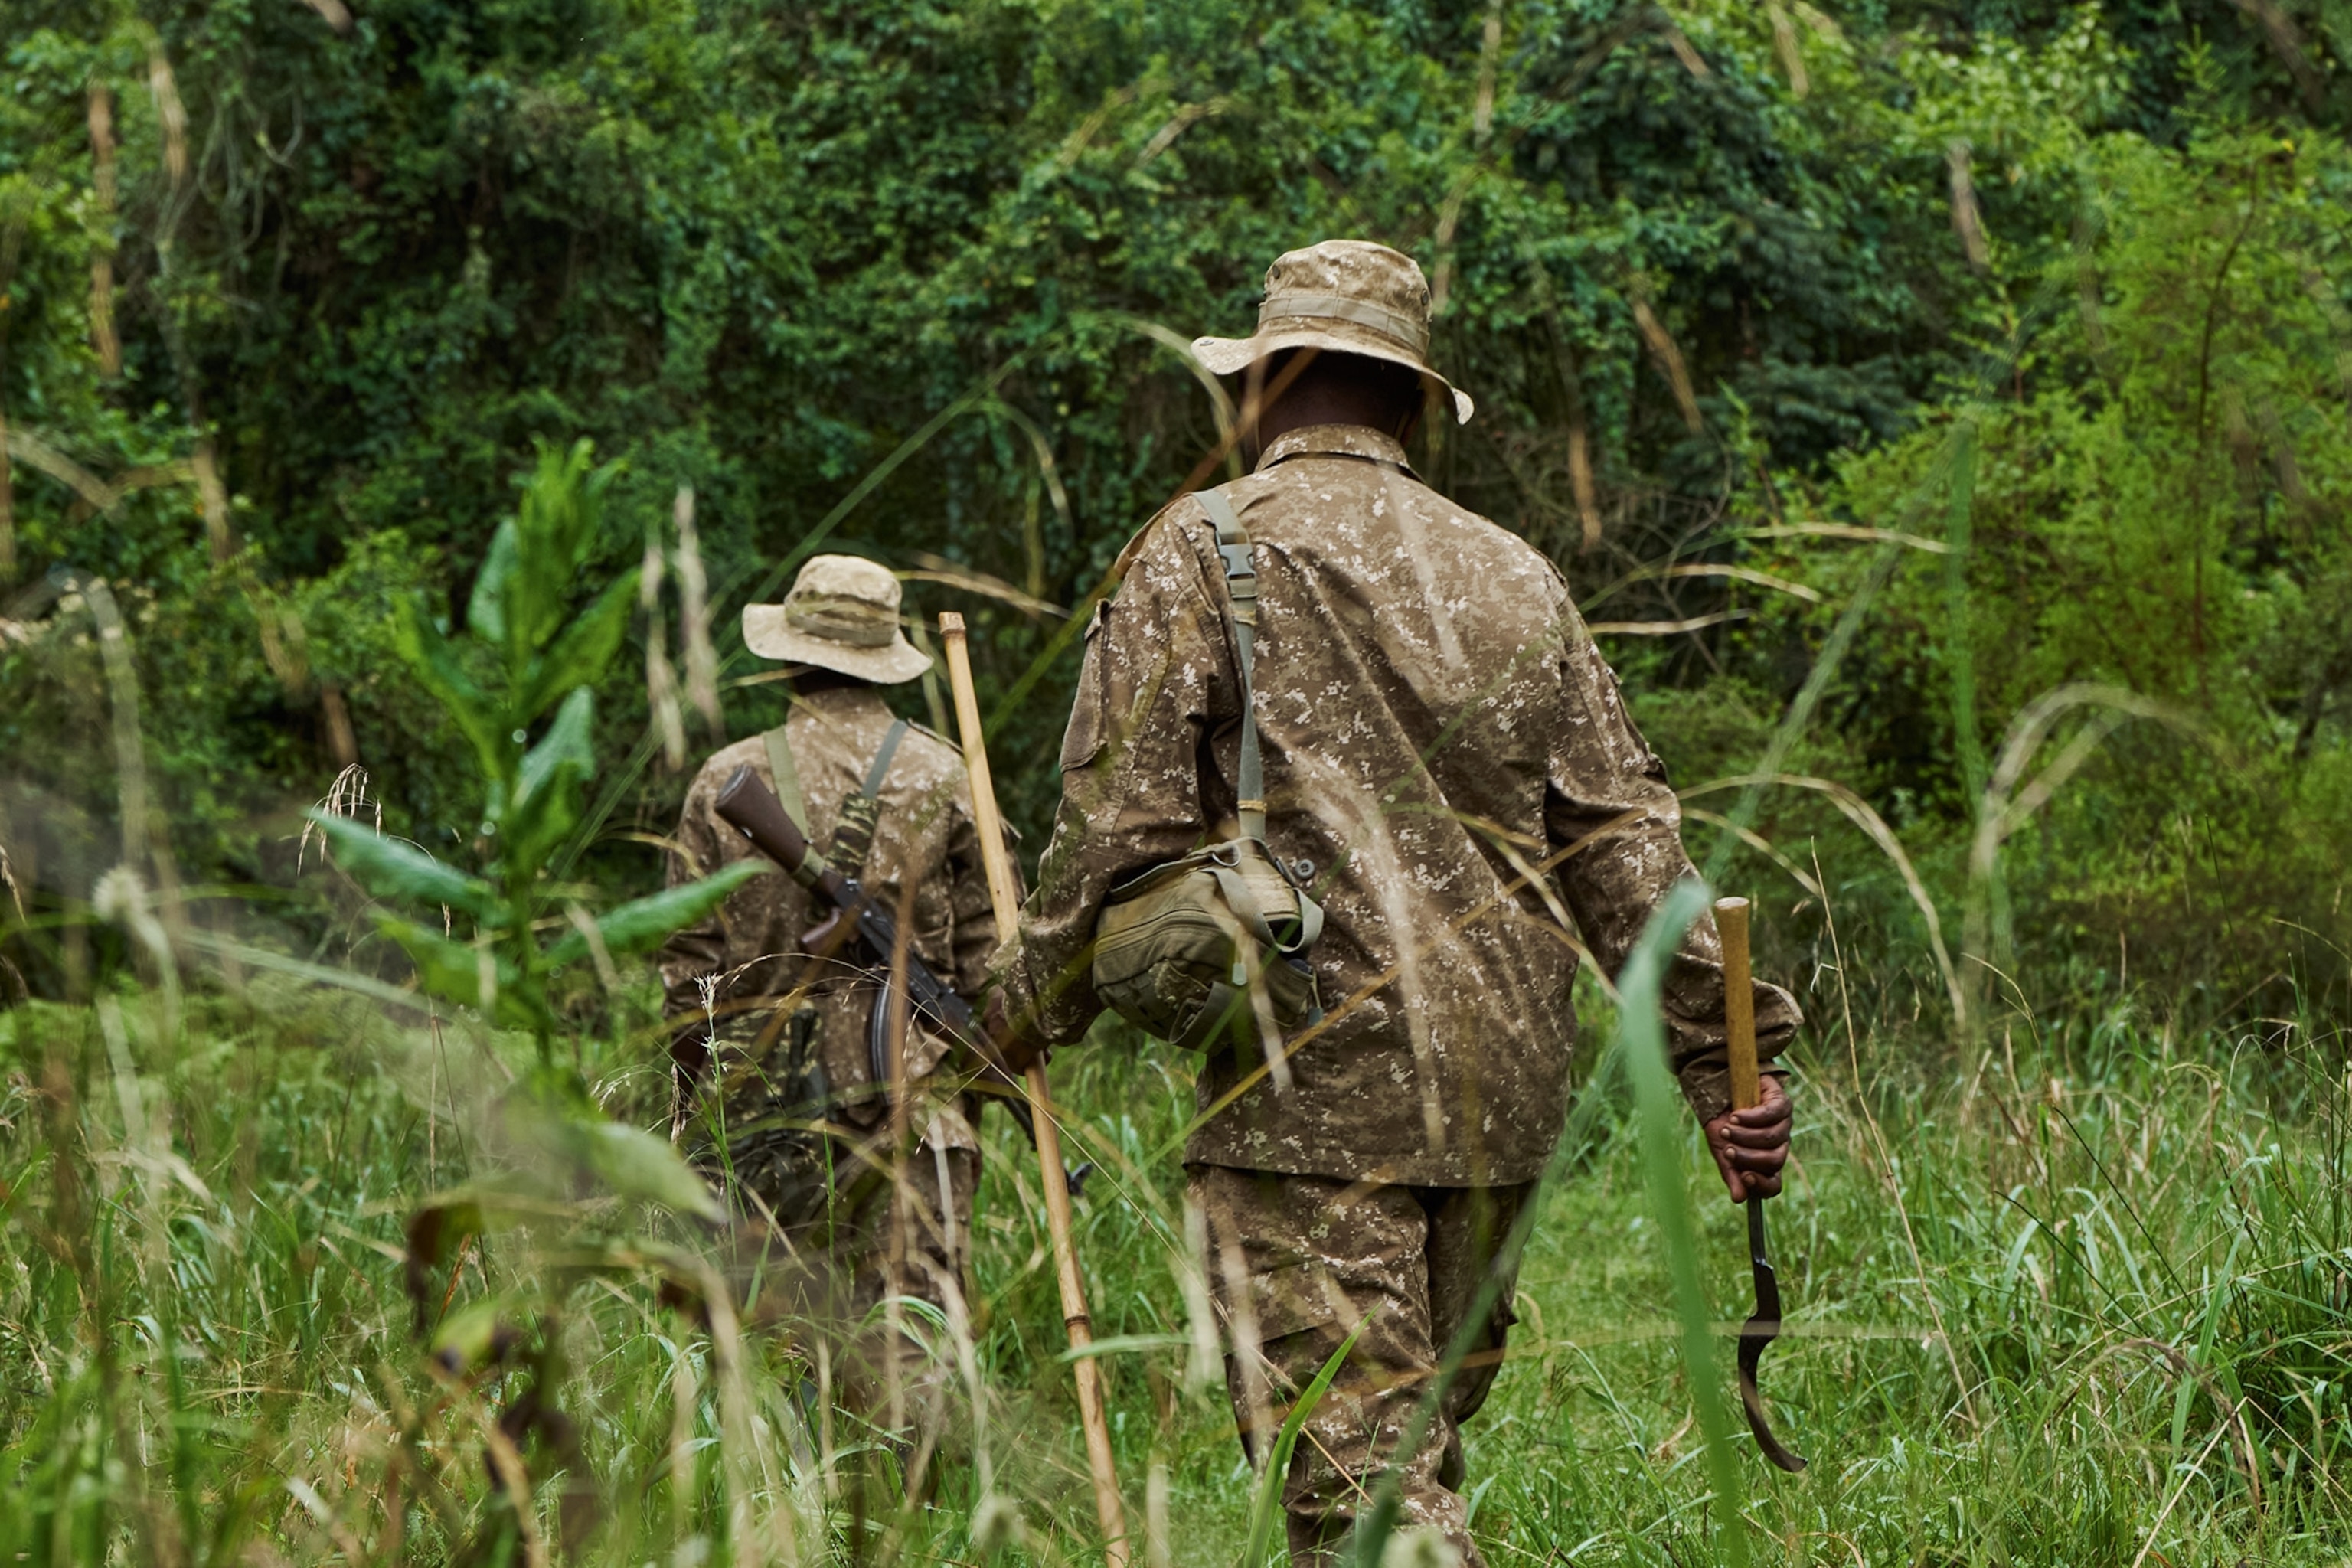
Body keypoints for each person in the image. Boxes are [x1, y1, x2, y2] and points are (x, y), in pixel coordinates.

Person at [990, 240, 1800, 1566]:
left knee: (1375, 1515)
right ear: (1415, 405)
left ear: (1256, 393)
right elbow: (1626, 851)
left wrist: (1013, 1024)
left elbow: (1106, 849)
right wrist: (1727, 1072)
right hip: (1500, 1106)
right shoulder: (1516, 576)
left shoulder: (1199, 549)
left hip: (1304, 1100)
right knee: (1404, 1460)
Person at [659, 553, 1004, 1432]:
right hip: (912, 1113)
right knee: (910, 1358)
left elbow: (685, 976)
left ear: (787, 652)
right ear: (885, 653)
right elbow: (997, 973)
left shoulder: (722, 778)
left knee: (759, 1365)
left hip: (757, 1117)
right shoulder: (949, 778)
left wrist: (689, 1116)